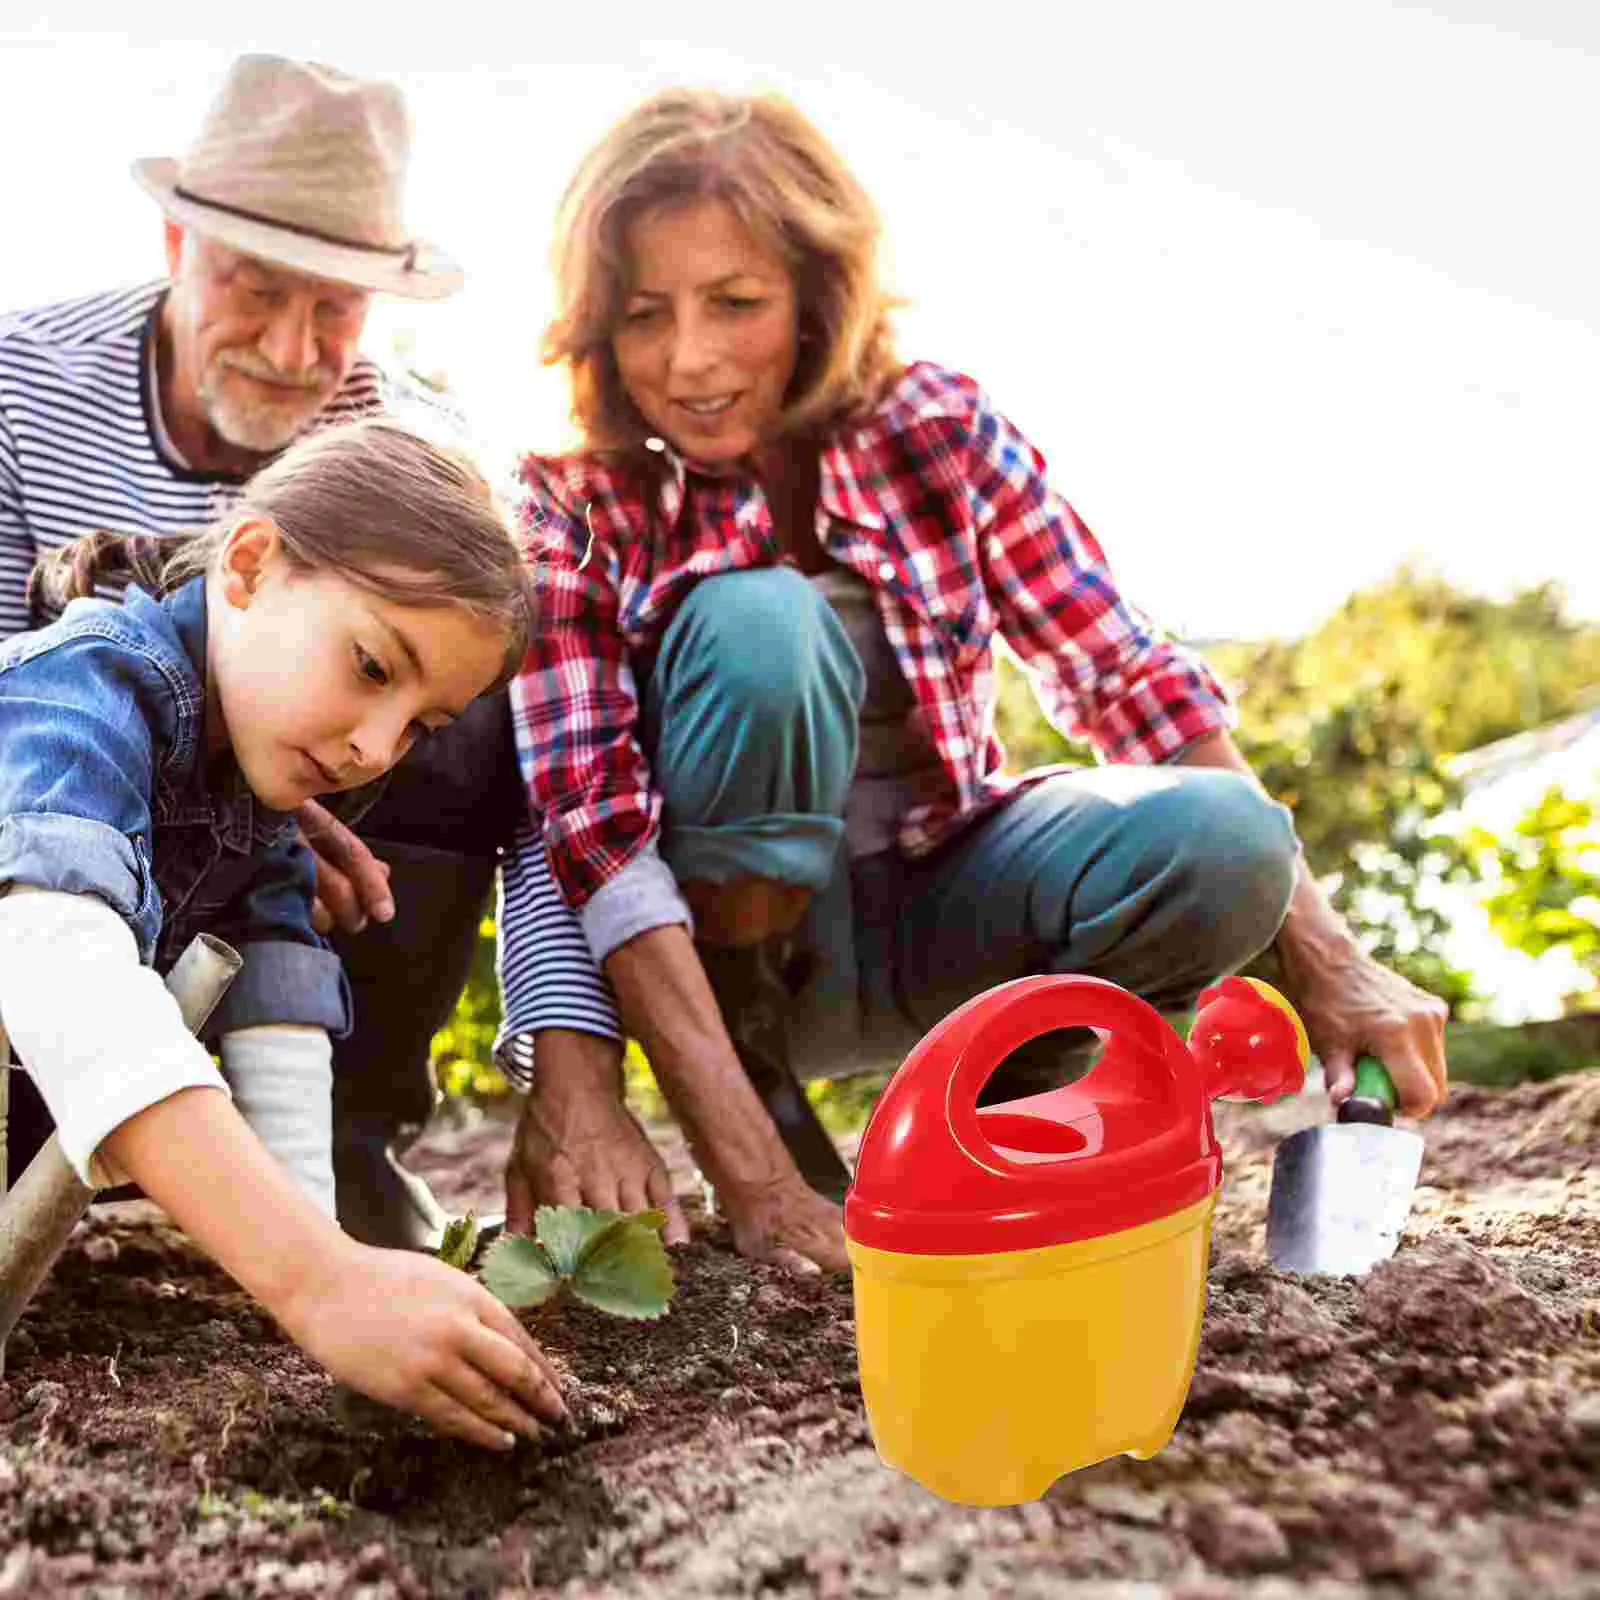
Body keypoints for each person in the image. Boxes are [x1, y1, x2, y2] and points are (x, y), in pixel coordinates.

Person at [494, 88, 1451, 1273]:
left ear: (812, 295)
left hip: (947, 901)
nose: (689, 360)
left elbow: (1124, 678)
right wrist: (758, 1182)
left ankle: (997, 1124)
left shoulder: (934, 426)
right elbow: (589, 834)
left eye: (735, 303)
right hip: (741, 967)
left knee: (1228, 838)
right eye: (645, 316)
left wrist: (1329, 960)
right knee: (759, 625)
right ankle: (775, 1115)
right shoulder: (571, 498)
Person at [0, 53, 562, 1246]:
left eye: (337, 308)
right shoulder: (21, 390)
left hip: (237, 804)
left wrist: (289, 774)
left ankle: (340, 1142)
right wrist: (239, 776)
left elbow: (524, 765)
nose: (294, 348)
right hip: (58, 804)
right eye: (256, 289)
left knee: (463, 694)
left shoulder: (407, 441)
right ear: (173, 247)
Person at [0, 417, 565, 1450]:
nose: (374, 746)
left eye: (420, 727)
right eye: (370, 665)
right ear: (251, 563)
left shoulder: (256, 790)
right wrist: (313, 1280)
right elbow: (54, 956)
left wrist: (329, 1261)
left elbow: (278, 1015)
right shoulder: (81, 685)